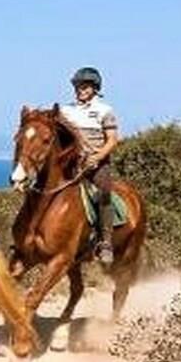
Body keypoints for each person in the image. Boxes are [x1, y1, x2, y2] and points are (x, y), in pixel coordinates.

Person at [58, 66, 120, 265]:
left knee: (104, 192)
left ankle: (106, 242)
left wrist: (97, 157)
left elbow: (112, 140)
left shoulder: (104, 110)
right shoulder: (66, 110)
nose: (80, 90)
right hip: (71, 164)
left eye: (84, 87)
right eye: (77, 86)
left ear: (94, 88)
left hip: (96, 164)